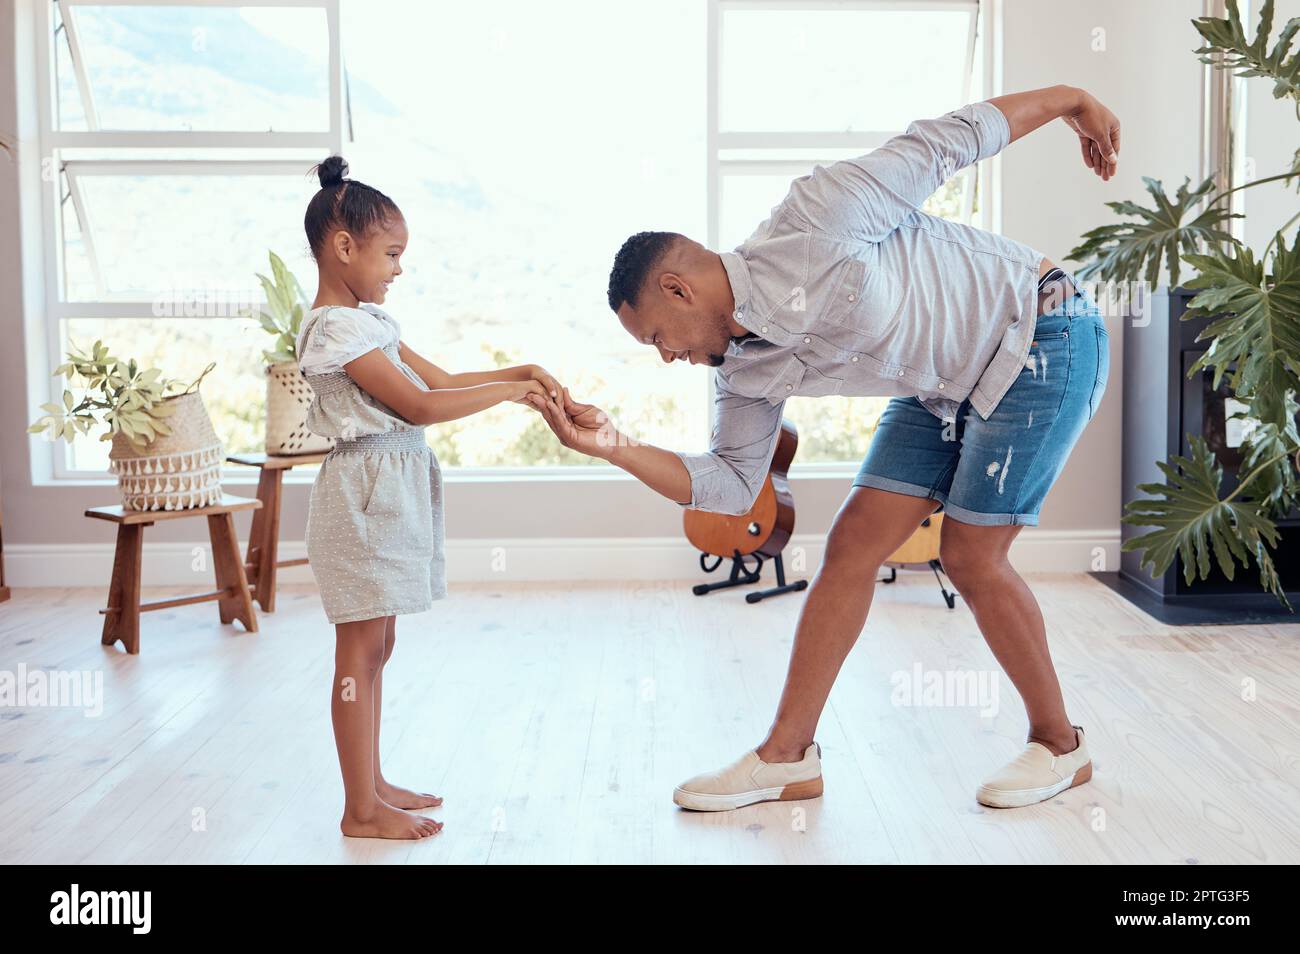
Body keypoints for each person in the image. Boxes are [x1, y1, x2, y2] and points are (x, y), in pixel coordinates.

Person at [529, 85, 1118, 812]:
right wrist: (614, 444)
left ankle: (1061, 746)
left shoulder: (818, 215)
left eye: (656, 338)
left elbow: (953, 139)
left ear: (678, 289)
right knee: (851, 547)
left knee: (970, 554)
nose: (665, 356)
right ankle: (787, 758)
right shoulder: (741, 371)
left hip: (1041, 332)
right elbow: (728, 485)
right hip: (937, 384)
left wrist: (1071, 101)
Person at [297, 155, 564, 838]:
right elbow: (418, 406)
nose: (398, 268)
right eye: (391, 254)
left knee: (378, 643)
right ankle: (360, 809)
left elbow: (439, 377)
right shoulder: (335, 330)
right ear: (344, 247)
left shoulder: (370, 323)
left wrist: (522, 370)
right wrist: (514, 394)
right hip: (360, 499)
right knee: (357, 650)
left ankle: (373, 781)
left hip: (389, 494)